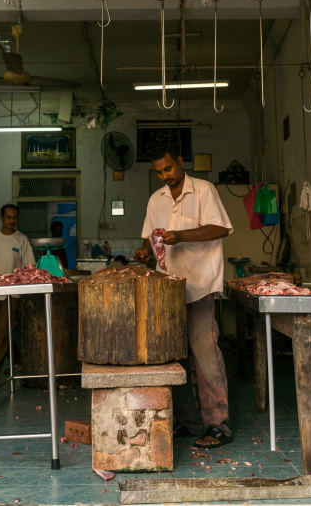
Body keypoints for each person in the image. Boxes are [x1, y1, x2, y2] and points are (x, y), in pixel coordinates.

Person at [134, 143, 233, 449]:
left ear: (179, 161)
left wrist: (183, 235)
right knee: (174, 358)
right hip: (168, 291)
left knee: (205, 354)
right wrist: (144, 252)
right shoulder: (156, 200)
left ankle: (218, 424)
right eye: (159, 172)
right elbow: (151, 241)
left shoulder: (204, 190)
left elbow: (221, 228)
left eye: (168, 168)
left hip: (201, 286)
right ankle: (189, 422)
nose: (165, 176)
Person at [0, 203, 35, 381]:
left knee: (4, 330)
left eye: (14, 218)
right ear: (1, 218)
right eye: (8, 217)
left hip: (13, 292)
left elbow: (29, 267)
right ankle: (18, 360)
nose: (12, 221)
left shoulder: (22, 239)